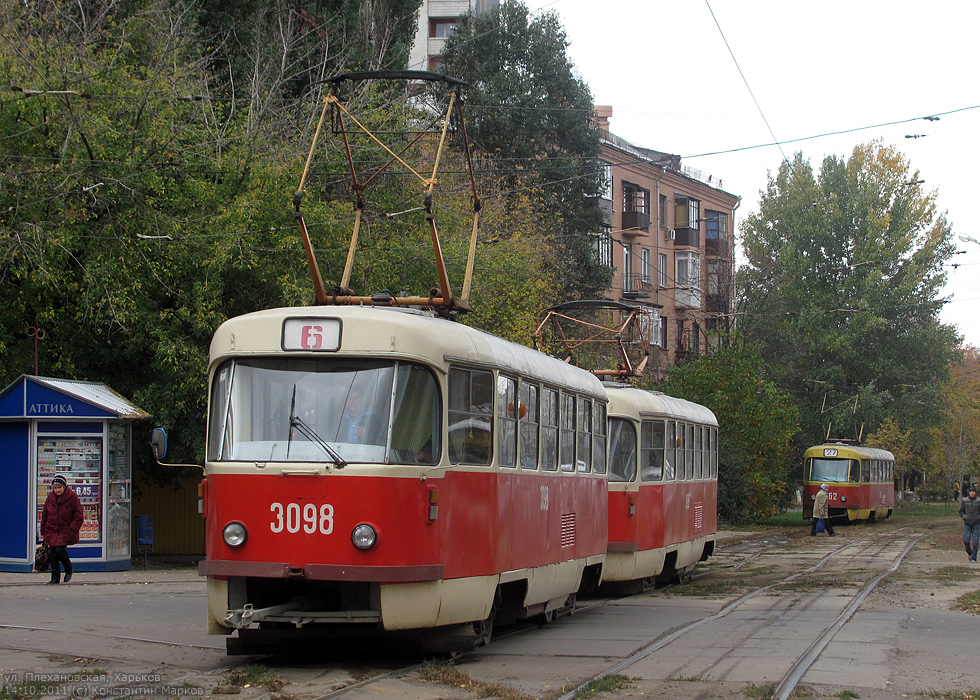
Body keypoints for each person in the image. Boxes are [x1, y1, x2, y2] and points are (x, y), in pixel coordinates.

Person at [40, 474, 84, 584]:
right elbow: (45, 513)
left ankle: (68, 568)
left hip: (65, 529)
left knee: (59, 550)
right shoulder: (50, 497)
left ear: (64, 487)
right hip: (52, 529)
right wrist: (43, 530)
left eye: (59, 487)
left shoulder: (72, 497)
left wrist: (72, 529)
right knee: (52, 553)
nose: (57, 490)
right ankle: (55, 578)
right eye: (55, 488)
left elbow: (78, 515)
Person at [959, 486, 980, 562]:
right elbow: (961, 511)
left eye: (973, 491)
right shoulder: (965, 500)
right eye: (971, 491)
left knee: (975, 542)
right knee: (966, 540)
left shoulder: (978, 501)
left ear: (975, 492)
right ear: (969, 492)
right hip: (967, 523)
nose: (972, 493)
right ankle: (970, 553)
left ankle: (974, 557)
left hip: (976, 524)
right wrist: (964, 517)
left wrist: (978, 517)